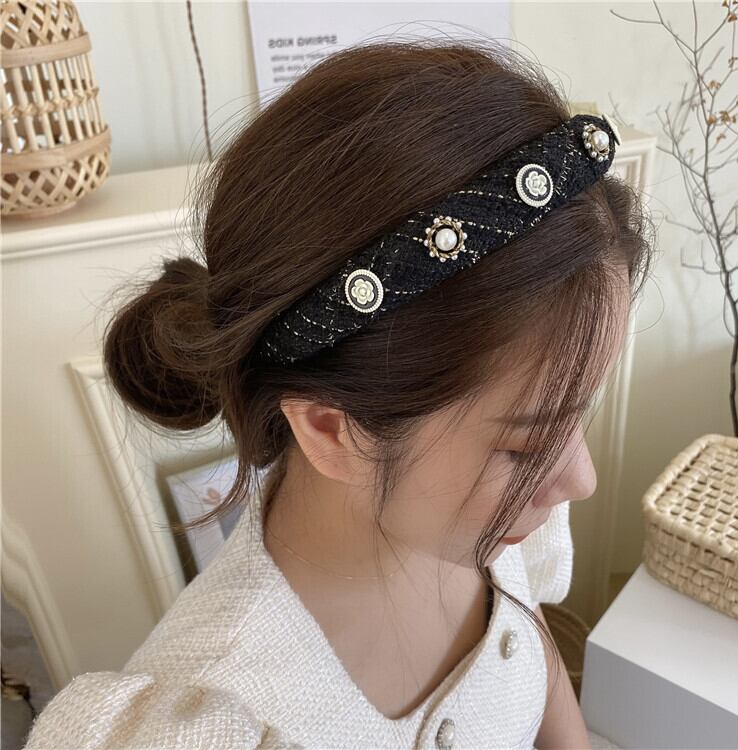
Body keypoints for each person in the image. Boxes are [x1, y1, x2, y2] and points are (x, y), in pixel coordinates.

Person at [23, 38, 654, 750]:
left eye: (576, 416)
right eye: (527, 444)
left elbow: (524, 626)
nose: (580, 479)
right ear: (331, 431)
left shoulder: (499, 515)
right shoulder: (214, 724)